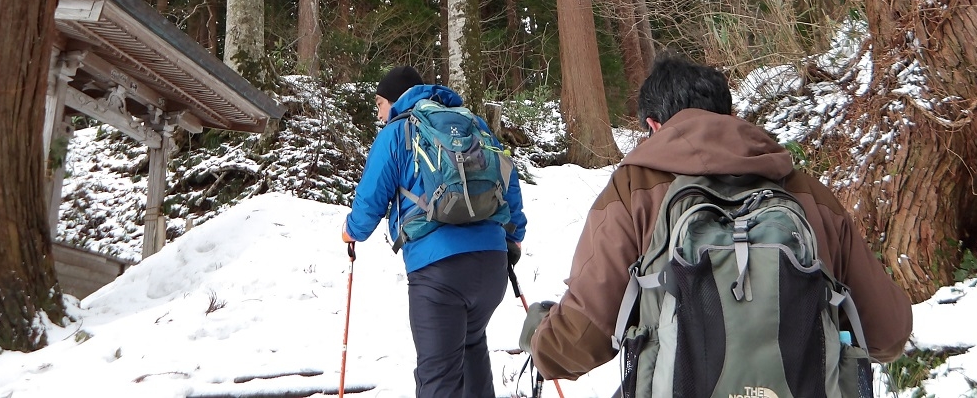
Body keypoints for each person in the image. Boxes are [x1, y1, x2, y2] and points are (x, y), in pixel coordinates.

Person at [521, 54, 912, 381]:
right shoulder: (808, 193)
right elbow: (889, 334)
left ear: (653, 125)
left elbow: (580, 340)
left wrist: (540, 338)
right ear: (729, 114)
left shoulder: (632, 191)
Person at [343, 65, 527, 398]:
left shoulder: (398, 132)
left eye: (380, 104)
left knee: (439, 378)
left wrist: (350, 231)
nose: (380, 113)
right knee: (472, 346)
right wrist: (513, 237)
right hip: (492, 265)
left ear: (395, 99)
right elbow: (508, 179)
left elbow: (370, 201)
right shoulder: (473, 125)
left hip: (439, 273)